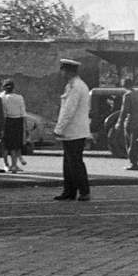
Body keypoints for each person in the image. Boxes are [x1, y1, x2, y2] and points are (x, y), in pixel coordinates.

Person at [53, 58, 92, 201]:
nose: (62, 73)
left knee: (74, 163)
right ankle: (69, 191)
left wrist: (59, 128)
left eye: (63, 70)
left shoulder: (76, 87)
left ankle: (83, 191)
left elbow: (69, 110)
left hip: (74, 131)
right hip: (73, 131)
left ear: (68, 71)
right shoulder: (74, 85)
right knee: (69, 163)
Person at [115, 87, 138, 170]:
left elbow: (124, 110)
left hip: (131, 121)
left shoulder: (127, 95)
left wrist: (119, 122)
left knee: (130, 143)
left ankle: (134, 163)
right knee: (137, 141)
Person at [0, 79, 27, 173]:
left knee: (6, 144)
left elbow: (4, 113)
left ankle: (6, 164)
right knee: (16, 145)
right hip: (18, 121)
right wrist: (26, 126)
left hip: (8, 121)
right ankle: (14, 164)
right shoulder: (19, 97)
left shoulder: (2, 97)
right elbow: (23, 112)